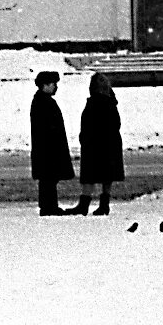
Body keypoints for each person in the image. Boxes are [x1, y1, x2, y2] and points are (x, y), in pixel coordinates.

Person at [74, 72, 124, 216]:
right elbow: (116, 124)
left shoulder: (94, 104)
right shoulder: (110, 103)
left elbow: (87, 125)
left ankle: (84, 203)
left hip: (93, 144)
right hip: (110, 144)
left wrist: (84, 139)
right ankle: (104, 204)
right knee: (106, 176)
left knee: (89, 174)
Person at [30, 70, 76, 216]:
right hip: (48, 148)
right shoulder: (43, 102)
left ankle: (49, 206)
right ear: (45, 85)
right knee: (48, 178)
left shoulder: (41, 101)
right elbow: (48, 128)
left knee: (49, 179)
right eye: (53, 84)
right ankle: (48, 207)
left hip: (46, 148)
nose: (55, 87)